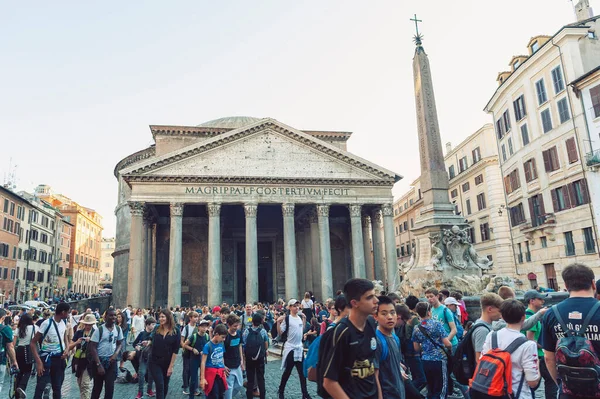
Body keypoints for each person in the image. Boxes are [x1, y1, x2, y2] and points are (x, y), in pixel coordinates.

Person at [541, 263, 600, 399]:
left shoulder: (551, 314)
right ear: (593, 284)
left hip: (569, 392)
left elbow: (548, 358)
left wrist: (562, 384)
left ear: (566, 286)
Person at [322, 278, 379, 399]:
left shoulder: (371, 324)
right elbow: (329, 382)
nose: (376, 301)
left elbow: (372, 368)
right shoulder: (342, 332)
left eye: (375, 296)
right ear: (354, 303)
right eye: (369, 297)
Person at [473, 299, 540, 399]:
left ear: (502, 317)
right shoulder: (528, 345)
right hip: (517, 394)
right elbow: (532, 382)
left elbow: (481, 361)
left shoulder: (492, 335)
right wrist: (538, 365)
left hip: (492, 391)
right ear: (523, 317)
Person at [522, 289, 557, 398]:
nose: (543, 301)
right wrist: (548, 347)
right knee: (551, 384)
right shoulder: (531, 317)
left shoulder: (527, 315)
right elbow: (530, 340)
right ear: (532, 301)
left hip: (535, 356)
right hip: (539, 356)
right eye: (540, 299)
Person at [31, 302, 71, 399]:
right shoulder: (46, 323)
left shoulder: (63, 322)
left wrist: (67, 349)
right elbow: (32, 343)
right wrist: (38, 362)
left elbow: (64, 337)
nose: (69, 314)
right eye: (68, 312)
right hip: (46, 359)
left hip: (58, 358)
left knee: (57, 387)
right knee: (40, 386)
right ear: (63, 312)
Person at [412, 302, 452, 399]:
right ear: (429, 312)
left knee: (431, 388)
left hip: (425, 360)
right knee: (441, 389)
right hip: (439, 359)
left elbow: (416, 348)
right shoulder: (436, 324)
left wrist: (426, 347)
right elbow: (447, 343)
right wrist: (450, 348)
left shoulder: (417, 328)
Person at [277, 298, 310, 399]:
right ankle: (281, 390)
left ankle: (305, 393)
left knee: (302, 373)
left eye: (297, 306)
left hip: (299, 348)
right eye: (294, 306)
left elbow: (301, 329)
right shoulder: (287, 318)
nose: (297, 308)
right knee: (288, 371)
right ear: (290, 307)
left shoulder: (299, 318)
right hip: (291, 348)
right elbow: (281, 332)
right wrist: (278, 323)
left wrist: (304, 320)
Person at [374, 295, 406, 399]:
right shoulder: (376, 341)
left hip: (399, 392)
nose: (390, 317)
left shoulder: (395, 338)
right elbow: (375, 377)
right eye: (384, 313)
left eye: (392, 312)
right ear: (375, 316)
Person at [88, 308, 124, 399]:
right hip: (99, 360)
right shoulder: (99, 330)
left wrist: (115, 354)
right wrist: (98, 364)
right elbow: (93, 347)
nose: (113, 317)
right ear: (105, 317)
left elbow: (120, 343)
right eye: (111, 315)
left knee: (110, 387)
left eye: (114, 315)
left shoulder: (118, 329)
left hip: (111, 361)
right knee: (97, 387)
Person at [147, 309, 180, 399]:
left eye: (163, 317)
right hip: (154, 361)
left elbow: (175, 350)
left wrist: (171, 366)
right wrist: (148, 342)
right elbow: (151, 338)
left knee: (165, 386)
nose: (160, 319)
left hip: (167, 362)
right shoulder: (157, 328)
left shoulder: (176, 330)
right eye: (160, 317)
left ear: (168, 317)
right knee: (160, 384)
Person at [69, 313, 97, 399]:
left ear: (92, 324)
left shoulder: (95, 333)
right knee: (80, 382)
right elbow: (70, 346)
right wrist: (77, 342)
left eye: (89, 324)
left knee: (85, 384)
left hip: (89, 360)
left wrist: (91, 341)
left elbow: (98, 347)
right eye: (86, 324)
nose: (87, 326)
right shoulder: (79, 332)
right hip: (78, 360)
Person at [471, 293, 503, 366]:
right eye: (500, 311)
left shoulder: (479, 324)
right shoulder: (482, 330)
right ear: (490, 309)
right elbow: (479, 359)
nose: (501, 315)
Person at [243, 312, 269, 399]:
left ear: (252, 321)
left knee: (250, 378)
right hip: (260, 357)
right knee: (261, 378)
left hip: (249, 358)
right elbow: (266, 342)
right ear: (260, 322)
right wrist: (265, 351)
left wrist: (244, 356)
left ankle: (249, 396)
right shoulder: (263, 331)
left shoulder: (247, 331)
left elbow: (244, 344)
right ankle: (262, 396)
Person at [402, 295, 426, 391]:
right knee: (421, 378)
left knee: (416, 377)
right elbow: (419, 333)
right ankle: (408, 393)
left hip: (407, 349)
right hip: (413, 350)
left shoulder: (406, 316)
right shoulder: (414, 318)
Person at [183, 319, 210, 399]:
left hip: (203, 359)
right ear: (199, 327)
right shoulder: (194, 336)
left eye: (206, 327)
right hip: (194, 359)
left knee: (204, 377)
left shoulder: (207, 336)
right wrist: (193, 349)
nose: (204, 328)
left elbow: (208, 346)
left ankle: (206, 394)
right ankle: (191, 396)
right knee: (194, 379)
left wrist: (204, 352)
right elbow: (184, 345)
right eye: (203, 326)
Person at [201, 323, 228, 399]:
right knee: (213, 394)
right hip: (211, 374)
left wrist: (224, 368)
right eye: (222, 337)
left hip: (220, 373)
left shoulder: (221, 343)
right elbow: (203, 362)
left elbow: (221, 356)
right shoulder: (208, 346)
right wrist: (202, 378)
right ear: (216, 334)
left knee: (221, 394)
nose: (224, 339)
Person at [133, 316, 157, 399]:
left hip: (152, 357)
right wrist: (137, 347)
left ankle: (149, 390)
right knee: (142, 374)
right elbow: (134, 344)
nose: (154, 326)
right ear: (148, 325)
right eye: (153, 324)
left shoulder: (154, 334)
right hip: (143, 357)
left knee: (151, 375)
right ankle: (140, 392)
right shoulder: (142, 334)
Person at [13, 313, 35, 398]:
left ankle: (16, 394)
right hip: (29, 350)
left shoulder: (19, 329)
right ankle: (22, 387)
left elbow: (14, 343)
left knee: (19, 372)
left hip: (19, 350)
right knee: (27, 371)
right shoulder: (34, 328)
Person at [223, 313, 244, 399]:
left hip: (237, 363)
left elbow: (239, 345)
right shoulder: (225, 336)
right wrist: (223, 365)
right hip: (228, 365)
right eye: (235, 326)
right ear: (228, 325)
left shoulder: (238, 333)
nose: (237, 328)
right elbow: (222, 352)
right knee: (229, 386)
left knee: (239, 384)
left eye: (237, 325)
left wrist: (242, 359)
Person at [0, 308, 18, 396]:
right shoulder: (6, 329)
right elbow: (10, 347)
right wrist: (14, 361)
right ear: (3, 318)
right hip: (1, 360)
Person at [181, 310, 199, 395]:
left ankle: (195, 388)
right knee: (186, 370)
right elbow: (182, 341)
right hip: (187, 351)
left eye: (197, 317)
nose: (196, 319)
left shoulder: (198, 327)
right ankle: (186, 386)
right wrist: (184, 347)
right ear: (190, 318)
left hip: (195, 352)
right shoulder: (186, 328)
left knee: (194, 370)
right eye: (195, 317)